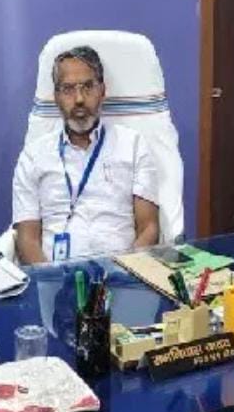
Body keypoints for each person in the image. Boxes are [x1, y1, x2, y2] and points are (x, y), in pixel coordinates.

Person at [12, 45, 160, 263]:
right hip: (56, 276)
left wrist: (126, 271)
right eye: (68, 89)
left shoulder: (133, 146)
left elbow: (149, 228)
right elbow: (27, 239)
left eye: (88, 86)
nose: (79, 98)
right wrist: (51, 278)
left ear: (102, 91)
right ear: (56, 97)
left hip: (120, 273)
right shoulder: (33, 156)